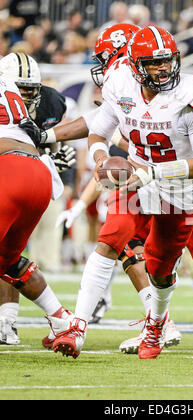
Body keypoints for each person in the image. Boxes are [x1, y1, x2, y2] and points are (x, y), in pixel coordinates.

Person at [47, 25, 193, 360]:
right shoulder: (119, 83)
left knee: (160, 267)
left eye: (168, 61)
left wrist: (152, 172)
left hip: (179, 188)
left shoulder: (192, 92)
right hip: (136, 178)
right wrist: (101, 159)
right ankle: (77, 326)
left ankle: (156, 324)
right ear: (135, 65)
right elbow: (98, 134)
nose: (164, 68)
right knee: (110, 239)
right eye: (155, 64)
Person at [0, 52, 75, 345]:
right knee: (8, 260)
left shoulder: (49, 102)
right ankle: (62, 321)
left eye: (32, 90)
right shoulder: (34, 101)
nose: (28, 95)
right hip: (38, 175)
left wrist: (53, 153)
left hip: (11, 171)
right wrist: (49, 157)